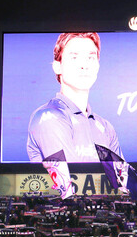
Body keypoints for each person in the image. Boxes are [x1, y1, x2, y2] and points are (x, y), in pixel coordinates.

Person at [27, 32, 122, 163]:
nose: (84, 65)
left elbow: (124, 180)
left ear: (98, 66)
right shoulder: (48, 117)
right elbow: (69, 179)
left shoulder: (105, 127)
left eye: (90, 58)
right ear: (57, 66)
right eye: (74, 57)